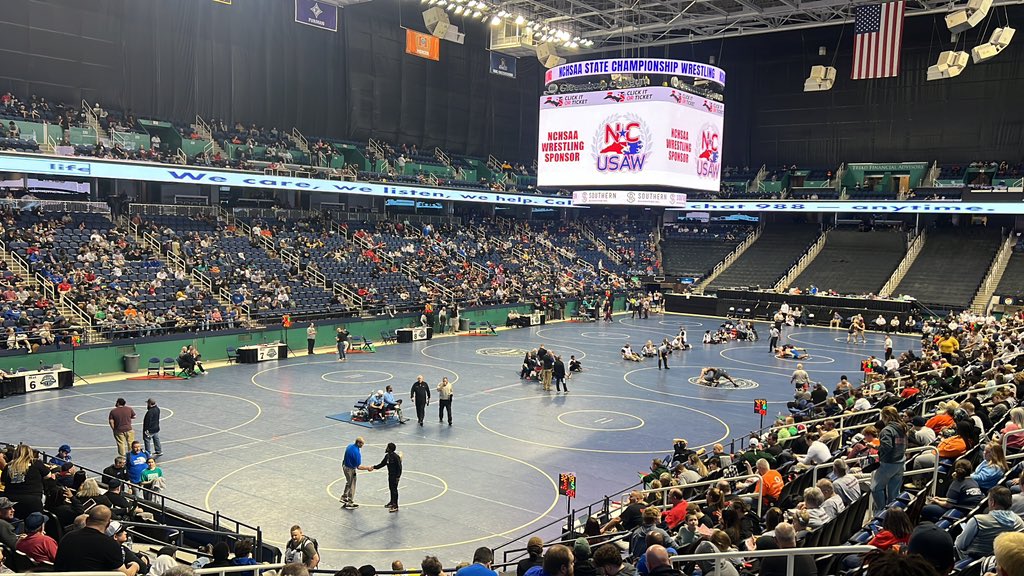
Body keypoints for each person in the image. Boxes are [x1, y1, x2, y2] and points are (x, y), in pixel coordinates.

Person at [54, 505, 140, 574]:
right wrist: (135, 566)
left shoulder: (67, 537)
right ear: (108, 524)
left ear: (87, 520)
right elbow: (124, 574)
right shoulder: (110, 544)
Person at [956, 486, 1024, 558]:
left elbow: (960, 545)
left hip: (973, 561)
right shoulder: (1019, 522)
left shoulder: (977, 521)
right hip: (1002, 561)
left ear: (992, 502)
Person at [0, 444, 51, 517]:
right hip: (33, 501)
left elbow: (3, 482)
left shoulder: (8, 466)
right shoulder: (35, 463)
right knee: (35, 522)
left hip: (12, 501)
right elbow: (48, 476)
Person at [872, 406, 907, 514]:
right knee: (894, 493)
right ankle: (893, 514)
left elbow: (887, 447)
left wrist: (876, 448)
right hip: (900, 462)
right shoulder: (902, 427)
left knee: (876, 488)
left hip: (888, 464)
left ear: (886, 416)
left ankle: (881, 513)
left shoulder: (886, 430)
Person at [341, 437, 373, 509]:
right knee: (352, 484)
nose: (362, 445)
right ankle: (350, 502)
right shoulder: (356, 453)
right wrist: (368, 468)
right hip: (350, 469)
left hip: (344, 466)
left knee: (349, 482)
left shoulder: (350, 446)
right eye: (362, 444)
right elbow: (358, 467)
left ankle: (344, 497)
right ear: (358, 443)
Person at [371, 442, 403, 512]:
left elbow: (399, 467)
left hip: (395, 476)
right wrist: (374, 467)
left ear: (390, 449)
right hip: (390, 475)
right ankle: (392, 502)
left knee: (394, 490)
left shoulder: (395, 457)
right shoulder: (387, 456)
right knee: (391, 489)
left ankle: (395, 505)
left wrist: (398, 477)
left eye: (387, 447)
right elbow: (382, 464)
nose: (386, 448)